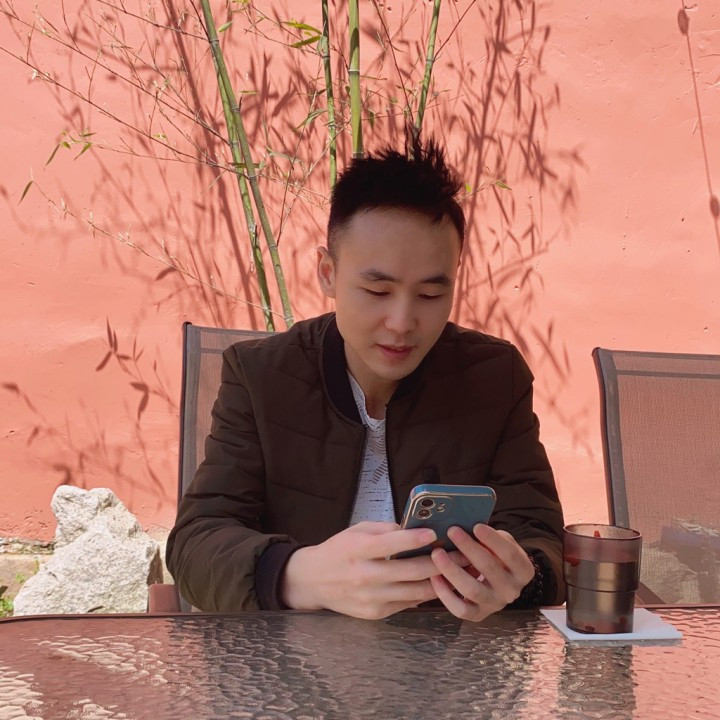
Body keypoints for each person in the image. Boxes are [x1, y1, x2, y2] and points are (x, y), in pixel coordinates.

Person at [166, 137, 565, 621]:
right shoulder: (260, 377)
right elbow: (196, 544)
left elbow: (542, 539)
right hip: (295, 659)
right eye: (377, 290)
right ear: (327, 273)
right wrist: (298, 574)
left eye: (430, 295)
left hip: (450, 656)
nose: (402, 322)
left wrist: (520, 579)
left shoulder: (494, 378)